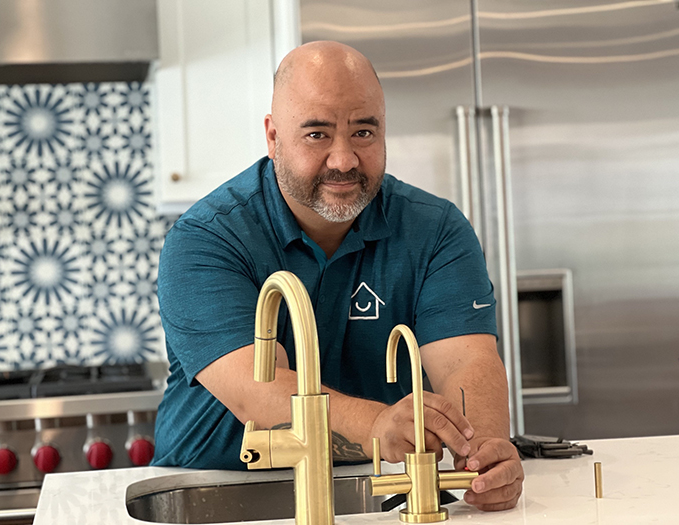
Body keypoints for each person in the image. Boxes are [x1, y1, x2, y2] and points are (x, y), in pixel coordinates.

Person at [152, 41, 523, 512]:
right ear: (272, 137)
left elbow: (465, 362)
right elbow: (258, 393)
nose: (344, 159)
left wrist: (485, 452)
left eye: (364, 132)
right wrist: (376, 425)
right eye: (317, 134)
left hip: (379, 488)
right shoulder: (205, 239)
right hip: (216, 492)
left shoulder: (436, 229)